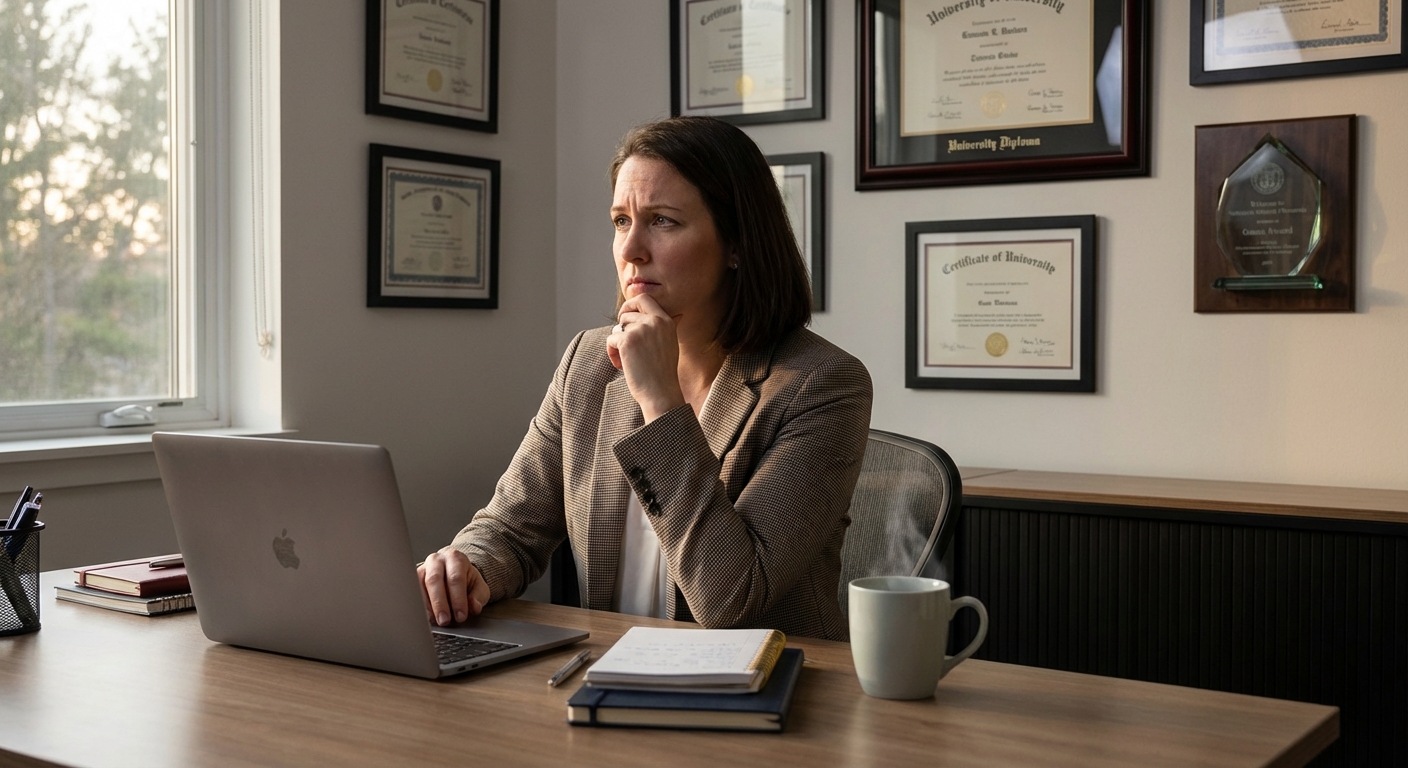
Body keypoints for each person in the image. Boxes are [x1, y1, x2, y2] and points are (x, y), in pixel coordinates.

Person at [419, 116, 871, 640]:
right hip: (609, 679)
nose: (631, 249)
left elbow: (731, 599)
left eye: (663, 221)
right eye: (620, 221)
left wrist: (660, 400)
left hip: (764, 694)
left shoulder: (822, 385)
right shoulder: (588, 363)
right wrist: (467, 569)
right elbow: (511, 528)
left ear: (737, 244)